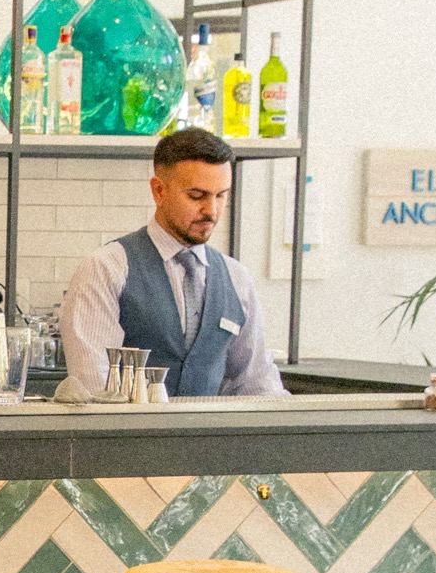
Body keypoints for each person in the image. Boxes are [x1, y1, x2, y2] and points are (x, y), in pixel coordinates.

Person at [56, 126, 283, 398]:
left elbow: (257, 385)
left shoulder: (237, 278)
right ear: (159, 191)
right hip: (127, 428)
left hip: (210, 428)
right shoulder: (106, 269)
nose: (211, 211)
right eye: (196, 196)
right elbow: (94, 391)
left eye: (221, 195)